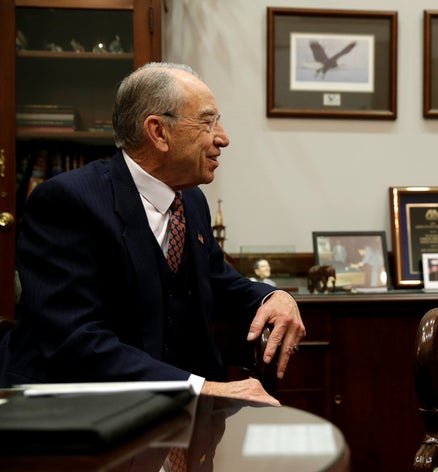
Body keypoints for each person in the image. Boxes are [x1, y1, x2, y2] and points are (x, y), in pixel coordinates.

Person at [0, 62, 306, 404]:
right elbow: (72, 339)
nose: (223, 138)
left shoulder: (191, 200)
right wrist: (200, 387)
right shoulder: (66, 202)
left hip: (167, 413)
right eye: (207, 122)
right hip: (71, 413)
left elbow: (218, 281)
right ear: (158, 132)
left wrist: (274, 297)